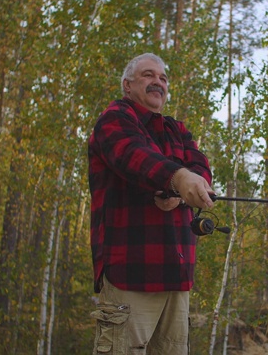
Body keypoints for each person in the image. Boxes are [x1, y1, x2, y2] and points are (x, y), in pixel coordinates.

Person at [88, 52, 214, 354]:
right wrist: (177, 180)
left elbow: (201, 167)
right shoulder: (113, 119)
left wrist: (181, 186)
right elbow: (134, 156)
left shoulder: (177, 129)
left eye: (163, 78)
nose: (158, 81)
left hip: (177, 276)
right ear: (127, 85)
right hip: (129, 274)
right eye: (148, 75)